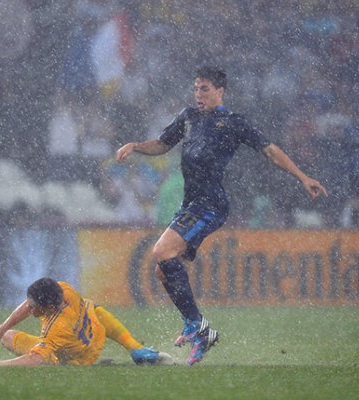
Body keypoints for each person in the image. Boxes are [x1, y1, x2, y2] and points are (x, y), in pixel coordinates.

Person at [116, 66, 327, 366]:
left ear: (220, 91)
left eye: (204, 88)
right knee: (165, 270)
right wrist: (135, 146)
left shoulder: (232, 123)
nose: (198, 94)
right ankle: (203, 333)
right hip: (191, 204)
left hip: (211, 203)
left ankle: (195, 325)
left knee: (162, 251)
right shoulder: (188, 118)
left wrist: (302, 177)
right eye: (196, 88)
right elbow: (162, 145)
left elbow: (270, 151)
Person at [0, 277, 173, 367]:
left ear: (48, 308)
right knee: (94, 308)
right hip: (95, 329)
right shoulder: (63, 290)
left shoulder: (57, 328)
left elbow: (35, 360)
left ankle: (71, 363)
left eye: (33, 306)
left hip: (83, 357)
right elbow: (29, 303)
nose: (28, 309)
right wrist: (0, 328)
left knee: (27, 349)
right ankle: (136, 348)